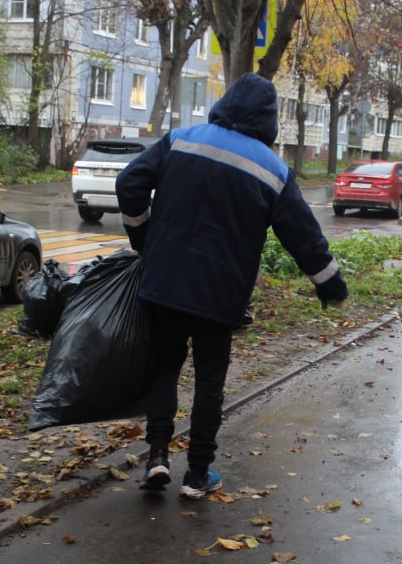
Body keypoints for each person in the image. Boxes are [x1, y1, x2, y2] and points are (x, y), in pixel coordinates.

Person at [116, 72, 347, 499]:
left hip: (164, 283)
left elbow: (129, 183)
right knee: (209, 383)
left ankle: (156, 458)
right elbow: (302, 235)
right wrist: (328, 282)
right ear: (269, 120)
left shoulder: (181, 140)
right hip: (219, 296)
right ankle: (198, 474)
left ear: (225, 103)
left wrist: (143, 238)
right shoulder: (272, 169)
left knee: (164, 369)